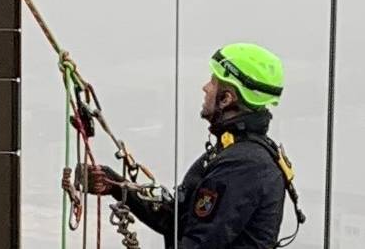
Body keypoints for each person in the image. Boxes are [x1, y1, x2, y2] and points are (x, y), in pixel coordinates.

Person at [86, 44, 305, 249]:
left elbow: (199, 243)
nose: (205, 88)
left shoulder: (244, 165)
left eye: (213, 82)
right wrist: (116, 185)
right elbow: (177, 220)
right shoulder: (232, 153)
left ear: (226, 98)